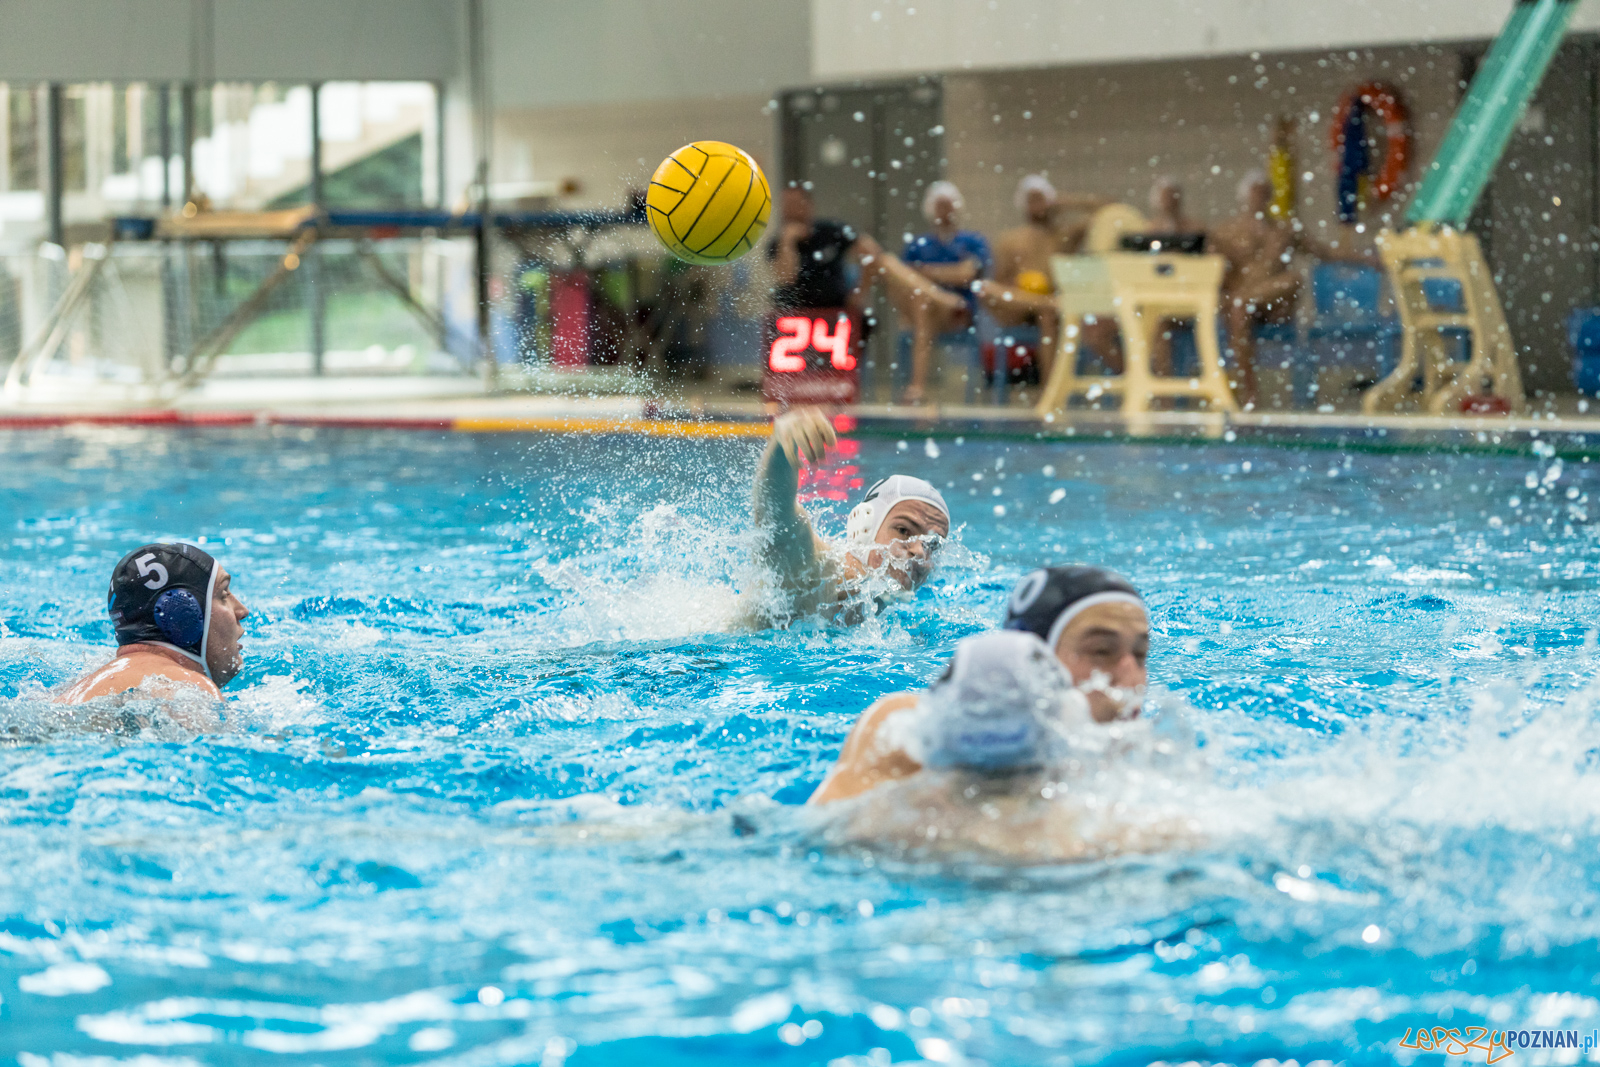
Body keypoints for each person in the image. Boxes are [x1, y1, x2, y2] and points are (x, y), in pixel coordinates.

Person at [809, 565, 1148, 804]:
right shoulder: (905, 734)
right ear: (1030, 656)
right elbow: (818, 838)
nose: (1130, 677)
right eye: (1101, 651)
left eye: (1141, 654)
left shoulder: (1140, 761)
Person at [743, 406, 950, 626]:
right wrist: (781, 447)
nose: (920, 552)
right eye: (903, 531)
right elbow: (776, 515)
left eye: (932, 545)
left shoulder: (885, 605)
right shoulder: (820, 571)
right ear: (866, 527)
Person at [1208, 169, 1368, 407]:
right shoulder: (1226, 233)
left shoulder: (1284, 230)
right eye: (1255, 193)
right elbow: (1211, 268)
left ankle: (1245, 301)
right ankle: (1250, 393)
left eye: (1264, 193)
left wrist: (1369, 259)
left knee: (1292, 278)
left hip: (1275, 308)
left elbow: (1324, 253)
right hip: (1243, 313)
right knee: (1239, 307)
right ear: (1244, 198)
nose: (1259, 199)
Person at [57, 543, 251, 718]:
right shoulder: (187, 687)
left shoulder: (72, 691)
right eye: (224, 594)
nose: (242, 611)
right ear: (181, 612)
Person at [767, 185, 863, 316]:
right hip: (794, 313)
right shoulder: (778, 243)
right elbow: (786, 278)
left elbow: (869, 252)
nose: (790, 210)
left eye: (795, 204)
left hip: (834, 309)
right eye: (786, 205)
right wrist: (788, 240)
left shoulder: (831, 231)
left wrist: (857, 294)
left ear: (808, 205)